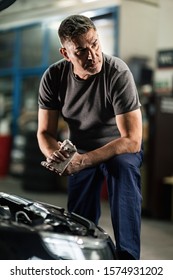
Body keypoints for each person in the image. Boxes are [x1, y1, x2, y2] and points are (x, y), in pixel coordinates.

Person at [37, 14, 143, 260]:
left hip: (119, 147)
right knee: (79, 218)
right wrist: (57, 156)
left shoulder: (117, 72)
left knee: (122, 169)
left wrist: (83, 161)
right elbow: (45, 132)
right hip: (80, 148)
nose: (92, 55)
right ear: (66, 53)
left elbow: (133, 140)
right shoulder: (53, 77)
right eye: (81, 51)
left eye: (95, 44)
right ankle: (80, 261)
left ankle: (128, 261)